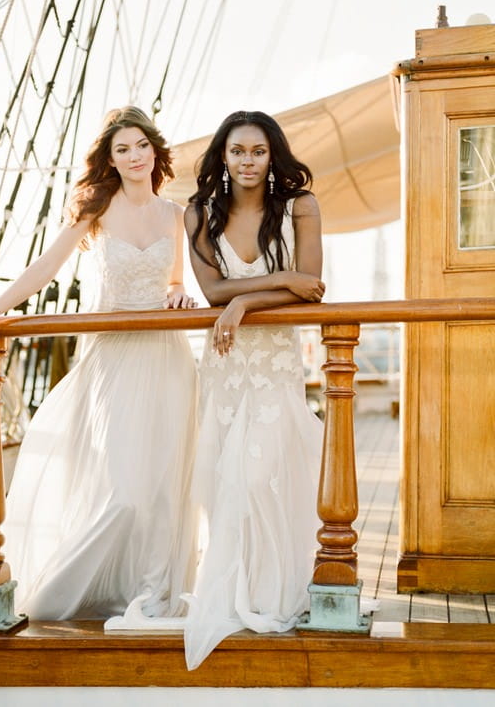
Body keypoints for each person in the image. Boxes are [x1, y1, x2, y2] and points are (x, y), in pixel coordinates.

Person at [0, 106, 199, 620]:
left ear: (155, 149)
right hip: (112, 357)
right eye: (121, 149)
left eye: (140, 146)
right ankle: (68, 591)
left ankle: (150, 592)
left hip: (167, 356)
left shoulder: (178, 215)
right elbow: (44, 268)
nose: (133, 156)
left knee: (163, 485)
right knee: (124, 489)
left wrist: (179, 295)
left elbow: (175, 279)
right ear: (109, 159)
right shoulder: (96, 211)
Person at [183, 110, 325, 670]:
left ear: (273, 156)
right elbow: (211, 287)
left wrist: (244, 300)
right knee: (223, 480)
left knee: (260, 476)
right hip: (223, 365)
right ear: (223, 155)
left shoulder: (300, 206)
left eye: (258, 152)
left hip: (272, 364)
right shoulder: (200, 212)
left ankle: (270, 592)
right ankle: (236, 593)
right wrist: (272, 283)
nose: (247, 161)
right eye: (237, 151)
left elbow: (309, 286)